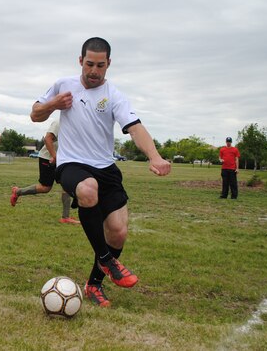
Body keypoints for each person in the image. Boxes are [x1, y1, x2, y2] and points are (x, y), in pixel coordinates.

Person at [30, 37, 171, 308]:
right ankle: (107, 260)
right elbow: (35, 114)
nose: (94, 71)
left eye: (100, 65)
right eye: (89, 64)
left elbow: (134, 126)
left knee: (118, 232)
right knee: (87, 188)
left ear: (109, 64)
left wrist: (155, 156)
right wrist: (54, 104)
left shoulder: (114, 95)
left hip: (106, 167)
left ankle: (94, 284)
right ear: (80, 61)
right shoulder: (63, 85)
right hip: (72, 163)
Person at [10, 120, 80, 224]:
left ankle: (65, 217)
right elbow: (47, 139)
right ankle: (18, 192)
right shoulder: (59, 123)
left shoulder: (74, 125)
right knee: (45, 187)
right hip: (48, 158)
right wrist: (54, 156)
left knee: (66, 185)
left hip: (61, 159)